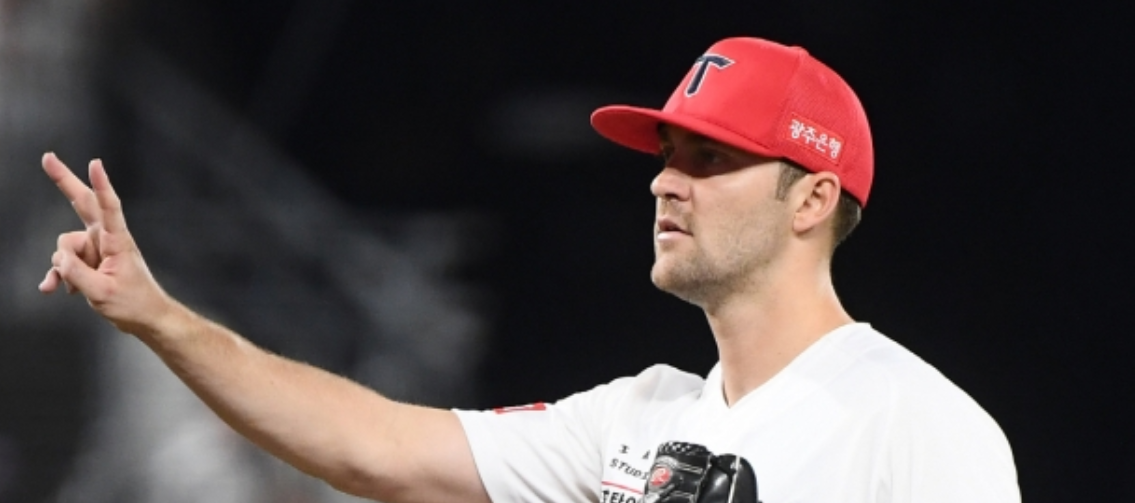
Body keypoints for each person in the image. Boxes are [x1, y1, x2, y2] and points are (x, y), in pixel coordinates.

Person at [39, 36, 1019, 503]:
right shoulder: (640, 416)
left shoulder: (914, 423)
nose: (664, 182)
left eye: (709, 159)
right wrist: (158, 314)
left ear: (811, 199)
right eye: (665, 155)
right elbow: (375, 446)